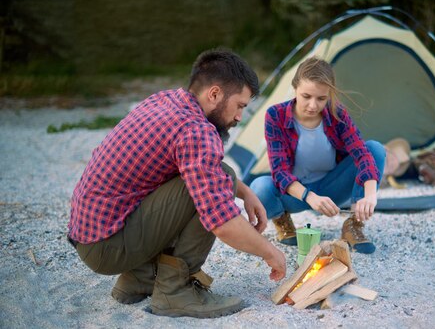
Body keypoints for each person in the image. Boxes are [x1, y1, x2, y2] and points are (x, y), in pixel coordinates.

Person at [67, 48, 286, 319]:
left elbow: (205, 169)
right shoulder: (196, 131)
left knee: (219, 177)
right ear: (215, 94)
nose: (240, 117)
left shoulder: (167, 100)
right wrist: (271, 252)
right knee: (218, 185)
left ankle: (140, 277)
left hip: (94, 236)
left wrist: (246, 191)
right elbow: (222, 222)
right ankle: (174, 291)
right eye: (240, 106)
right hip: (107, 247)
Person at [250, 57, 386, 254]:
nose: (313, 105)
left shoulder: (337, 114)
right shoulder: (275, 115)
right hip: (297, 194)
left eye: (321, 99)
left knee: (375, 148)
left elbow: (363, 155)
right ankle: (282, 219)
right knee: (259, 187)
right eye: (306, 96)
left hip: (332, 188)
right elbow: (279, 172)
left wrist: (370, 195)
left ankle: (354, 225)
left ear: (328, 95)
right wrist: (310, 197)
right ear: (295, 88)